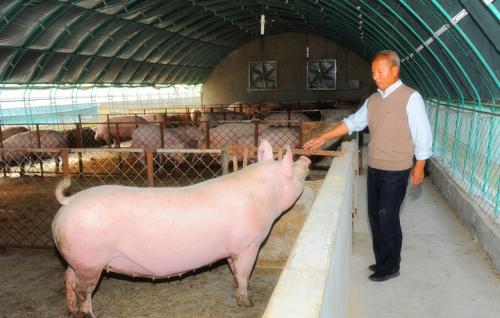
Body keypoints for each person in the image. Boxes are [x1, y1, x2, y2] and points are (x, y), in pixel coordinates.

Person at [303, 50, 433, 282]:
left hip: (397, 168)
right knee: (374, 215)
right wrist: (325, 137)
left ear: (395, 70)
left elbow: (422, 133)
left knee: (387, 216)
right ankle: (382, 260)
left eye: (380, 71)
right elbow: (352, 123)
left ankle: (392, 266)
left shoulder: (411, 97)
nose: (376, 76)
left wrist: (420, 165)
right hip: (375, 166)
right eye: (373, 72)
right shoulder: (373, 101)